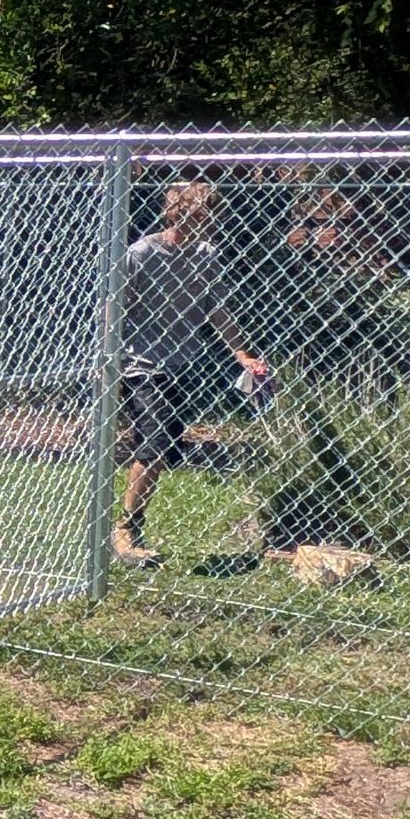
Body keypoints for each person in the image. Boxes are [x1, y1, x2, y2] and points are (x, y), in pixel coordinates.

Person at [115, 180, 270, 565]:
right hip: (142, 364)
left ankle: (131, 523)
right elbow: (115, 307)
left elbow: (217, 306)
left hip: (181, 362)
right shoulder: (142, 253)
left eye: (213, 215)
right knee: (152, 445)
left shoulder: (206, 254)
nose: (212, 222)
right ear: (180, 213)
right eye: (205, 214)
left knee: (164, 449)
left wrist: (241, 353)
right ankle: (124, 531)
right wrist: (110, 359)